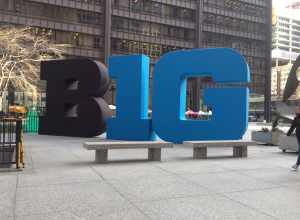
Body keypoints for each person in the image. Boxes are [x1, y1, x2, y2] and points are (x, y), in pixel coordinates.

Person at [287, 106, 300, 171]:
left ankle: (297, 164)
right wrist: (288, 134)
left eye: (298, 109)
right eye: (296, 109)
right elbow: (292, 127)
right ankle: (297, 164)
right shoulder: (296, 118)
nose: (296, 110)